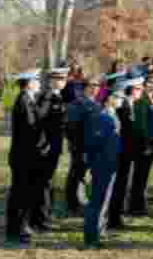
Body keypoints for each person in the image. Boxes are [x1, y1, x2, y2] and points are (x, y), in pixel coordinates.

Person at [6, 70, 47, 244]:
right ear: (29, 83)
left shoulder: (28, 99)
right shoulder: (23, 101)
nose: (39, 83)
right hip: (23, 156)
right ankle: (16, 230)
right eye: (36, 80)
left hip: (27, 155)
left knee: (25, 192)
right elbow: (30, 129)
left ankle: (23, 226)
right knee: (20, 194)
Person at [83, 88, 123, 247]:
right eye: (117, 96)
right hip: (102, 164)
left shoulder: (112, 115)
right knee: (97, 201)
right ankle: (91, 237)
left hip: (110, 163)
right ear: (108, 99)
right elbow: (95, 143)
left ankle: (100, 231)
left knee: (105, 200)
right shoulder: (101, 117)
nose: (121, 99)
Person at [33, 66, 69, 232]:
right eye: (58, 79)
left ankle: (45, 215)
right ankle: (41, 219)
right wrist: (44, 145)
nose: (62, 82)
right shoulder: (46, 97)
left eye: (64, 79)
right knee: (43, 183)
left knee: (48, 182)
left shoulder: (58, 97)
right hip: (46, 148)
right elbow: (39, 120)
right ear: (51, 80)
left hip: (55, 147)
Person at [108, 77, 143, 230]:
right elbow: (125, 133)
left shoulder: (130, 105)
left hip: (127, 153)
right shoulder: (124, 108)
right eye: (139, 88)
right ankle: (113, 218)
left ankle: (117, 216)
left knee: (123, 185)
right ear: (132, 90)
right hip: (122, 154)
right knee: (119, 185)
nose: (141, 91)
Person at [65, 76, 101, 216]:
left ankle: (81, 201)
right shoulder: (78, 104)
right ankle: (73, 205)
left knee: (83, 177)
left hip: (93, 147)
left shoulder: (96, 103)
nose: (95, 88)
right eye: (92, 85)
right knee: (76, 175)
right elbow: (71, 129)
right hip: (81, 148)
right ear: (85, 87)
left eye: (97, 85)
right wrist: (79, 147)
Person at [129, 76, 153, 216]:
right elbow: (141, 125)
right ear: (144, 85)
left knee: (144, 175)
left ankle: (139, 203)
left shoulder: (152, 99)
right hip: (143, 144)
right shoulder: (142, 101)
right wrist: (146, 144)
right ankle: (136, 206)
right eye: (151, 83)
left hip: (151, 143)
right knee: (140, 176)